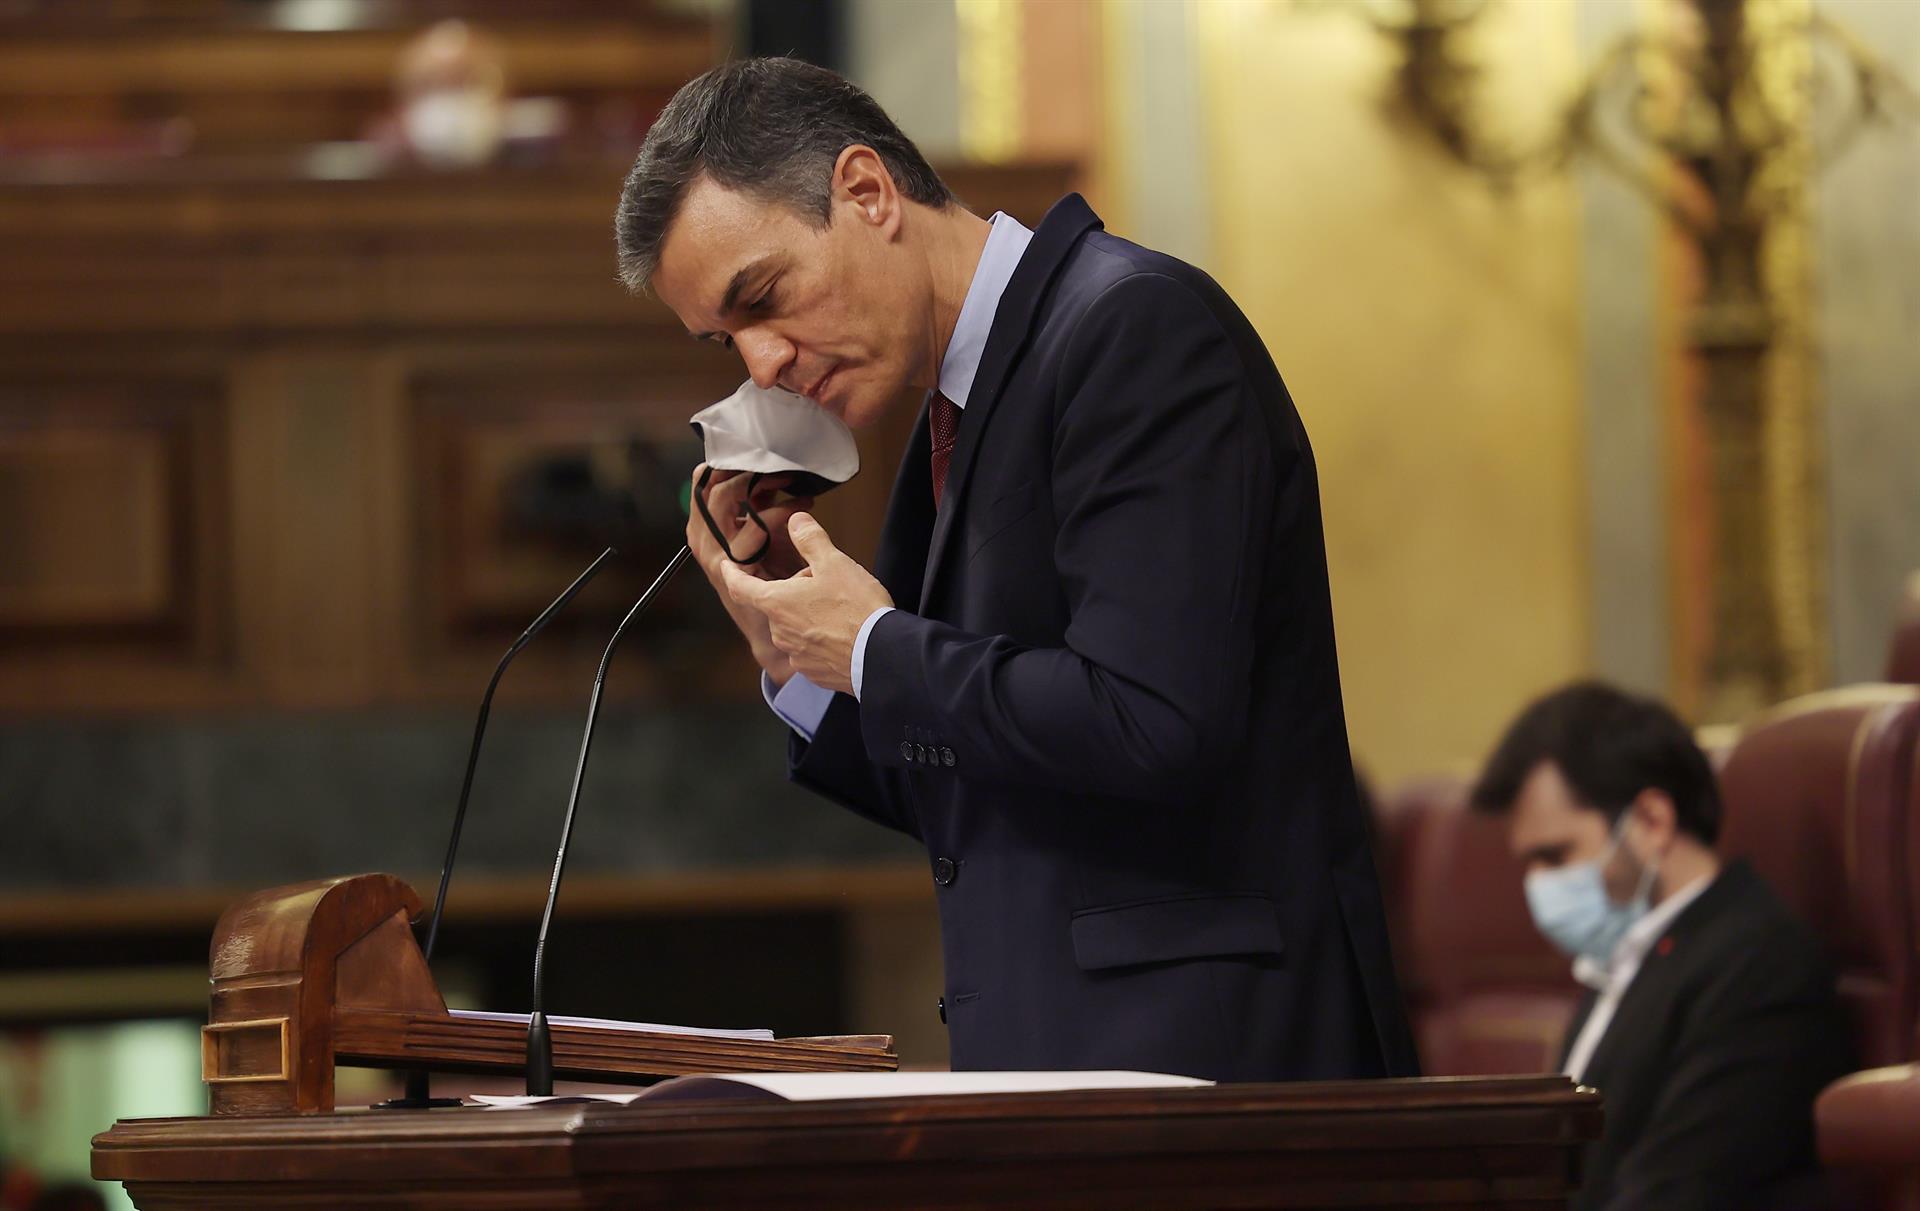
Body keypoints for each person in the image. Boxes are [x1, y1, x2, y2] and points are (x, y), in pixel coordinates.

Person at [617, 57, 1416, 1081]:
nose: (761, 362)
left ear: (867, 192)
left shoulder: (1134, 326)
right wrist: (800, 654)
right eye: (727, 337)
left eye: (765, 297)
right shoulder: (953, 407)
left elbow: (1154, 721)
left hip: (1212, 1072)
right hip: (1071, 1066)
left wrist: (874, 647)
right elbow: (973, 791)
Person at [1469, 682, 1854, 1211]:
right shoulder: (1628, 959)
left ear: (1652, 821)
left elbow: (1676, 1192)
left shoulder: (1757, 962)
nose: (1538, 888)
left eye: (1556, 856)